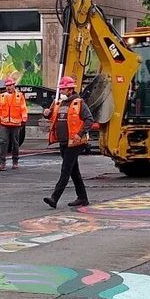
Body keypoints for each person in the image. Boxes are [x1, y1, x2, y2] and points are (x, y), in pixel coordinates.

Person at [44, 76, 92, 209]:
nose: (61, 91)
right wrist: (47, 114)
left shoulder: (79, 103)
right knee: (74, 171)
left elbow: (89, 119)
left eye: (63, 89)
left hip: (74, 142)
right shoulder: (59, 103)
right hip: (64, 142)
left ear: (70, 90)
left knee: (65, 170)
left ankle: (54, 198)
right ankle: (83, 198)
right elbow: (53, 116)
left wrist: (79, 134)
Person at [0, 75, 28, 170]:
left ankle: (15, 161)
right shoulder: (2, 96)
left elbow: (23, 108)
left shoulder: (19, 96)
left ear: (14, 85)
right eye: (7, 86)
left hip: (16, 124)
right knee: (3, 142)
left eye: (10, 85)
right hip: (4, 123)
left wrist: (24, 120)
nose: (8, 87)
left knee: (15, 143)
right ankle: (2, 163)